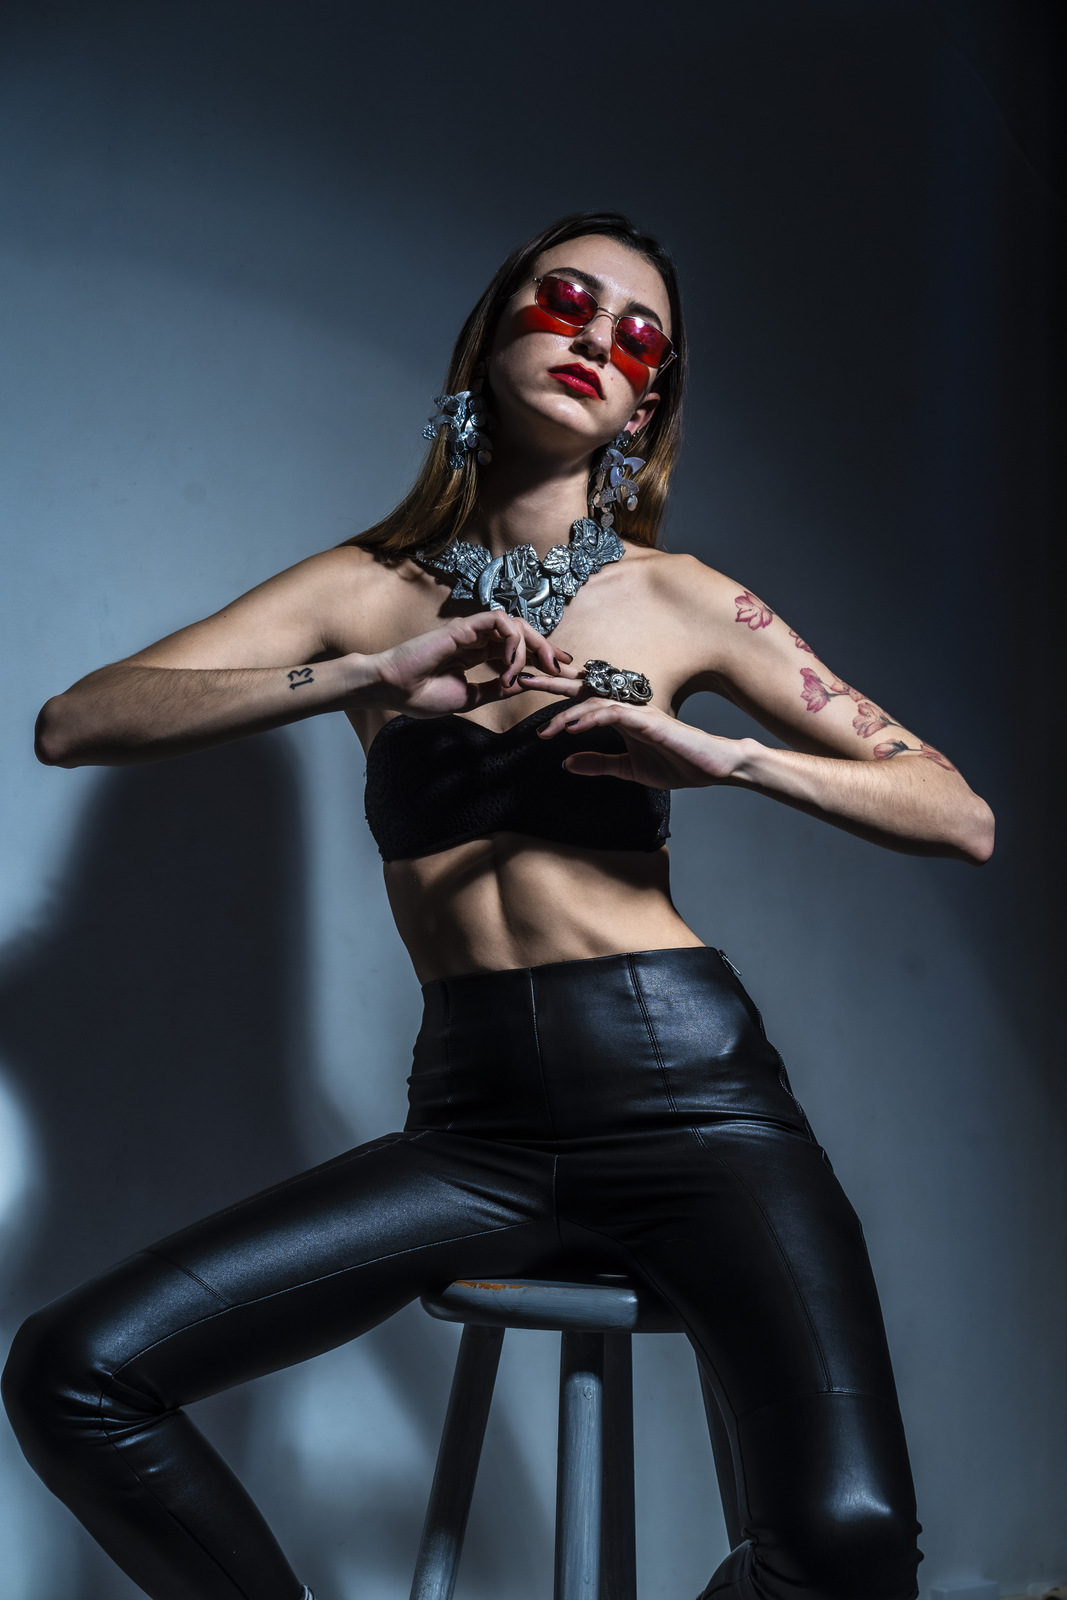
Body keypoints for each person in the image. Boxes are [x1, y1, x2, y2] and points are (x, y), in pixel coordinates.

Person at [2, 211, 993, 1600]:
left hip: (693, 1097)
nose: (599, 341)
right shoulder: (362, 592)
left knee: (851, 1543)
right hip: (477, 1129)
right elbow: (74, 721)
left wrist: (722, 759)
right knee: (73, 1370)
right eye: (567, 301)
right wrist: (368, 677)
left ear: (646, 408)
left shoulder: (682, 600)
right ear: (491, 336)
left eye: (638, 339)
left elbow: (957, 812)